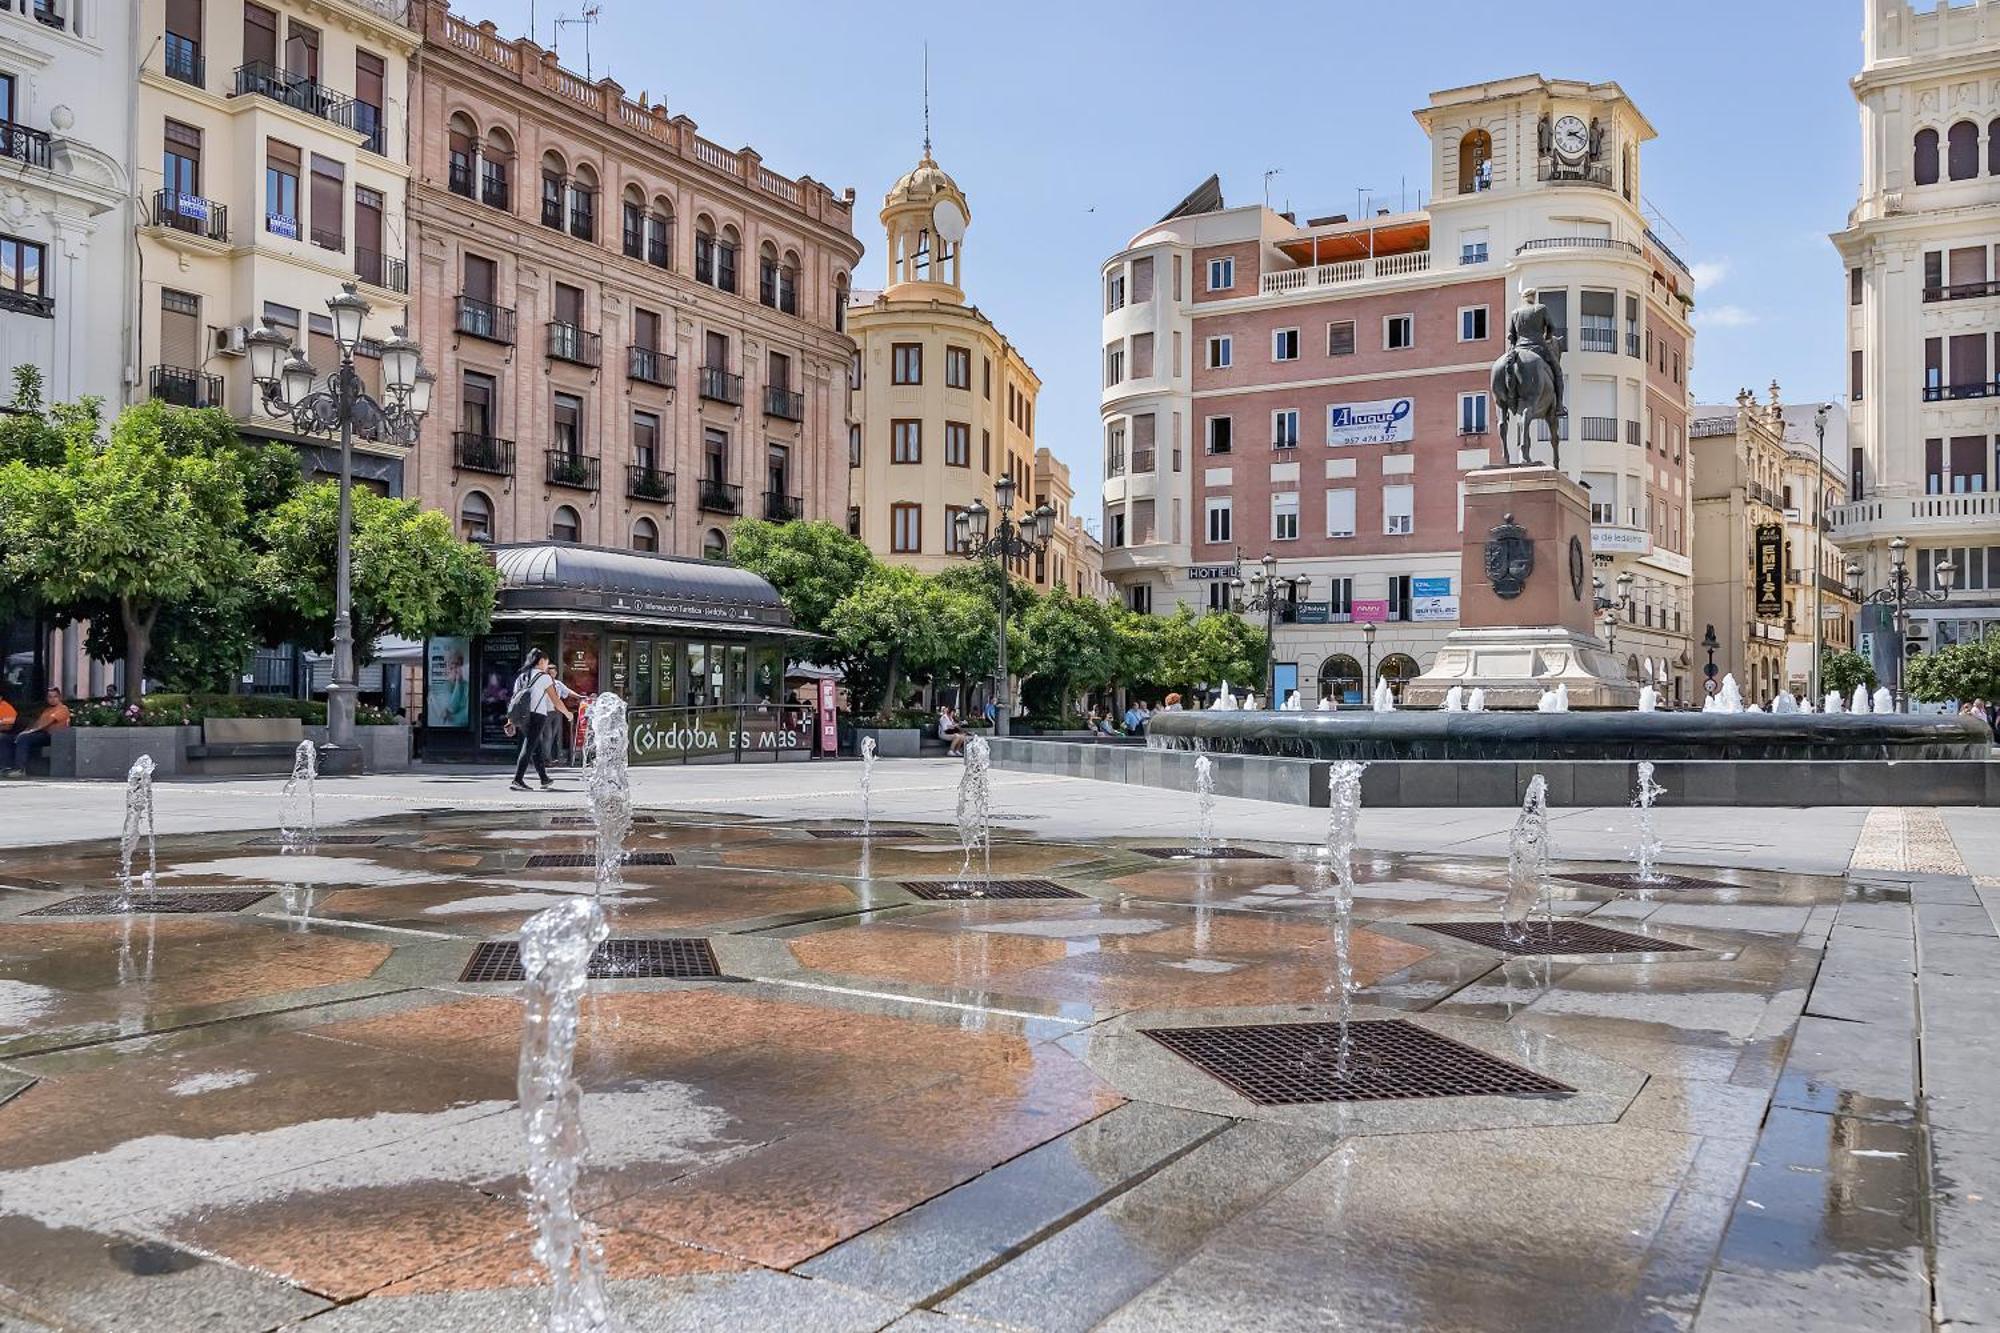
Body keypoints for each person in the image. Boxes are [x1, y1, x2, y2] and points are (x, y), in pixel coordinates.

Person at [504, 651, 572, 792]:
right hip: (537, 715)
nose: (547, 666)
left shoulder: (521, 677)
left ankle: (544, 778)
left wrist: (510, 720)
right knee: (529, 746)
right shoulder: (544, 677)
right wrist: (567, 714)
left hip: (522, 717)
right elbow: (556, 700)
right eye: (546, 662)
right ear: (541, 661)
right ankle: (518, 779)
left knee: (536, 746)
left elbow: (514, 700)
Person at [1, 687, 70, 776]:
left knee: (24, 738)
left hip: (52, 736)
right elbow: (37, 722)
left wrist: (30, 731)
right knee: (5, 738)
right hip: (40, 734)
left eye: (55, 696)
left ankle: (20, 769)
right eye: (50, 697)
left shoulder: (62, 709)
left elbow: (47, 722)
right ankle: (5, 768)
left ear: (60, 697)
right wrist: (26, 731)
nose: (52, 699)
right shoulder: (47, 710)